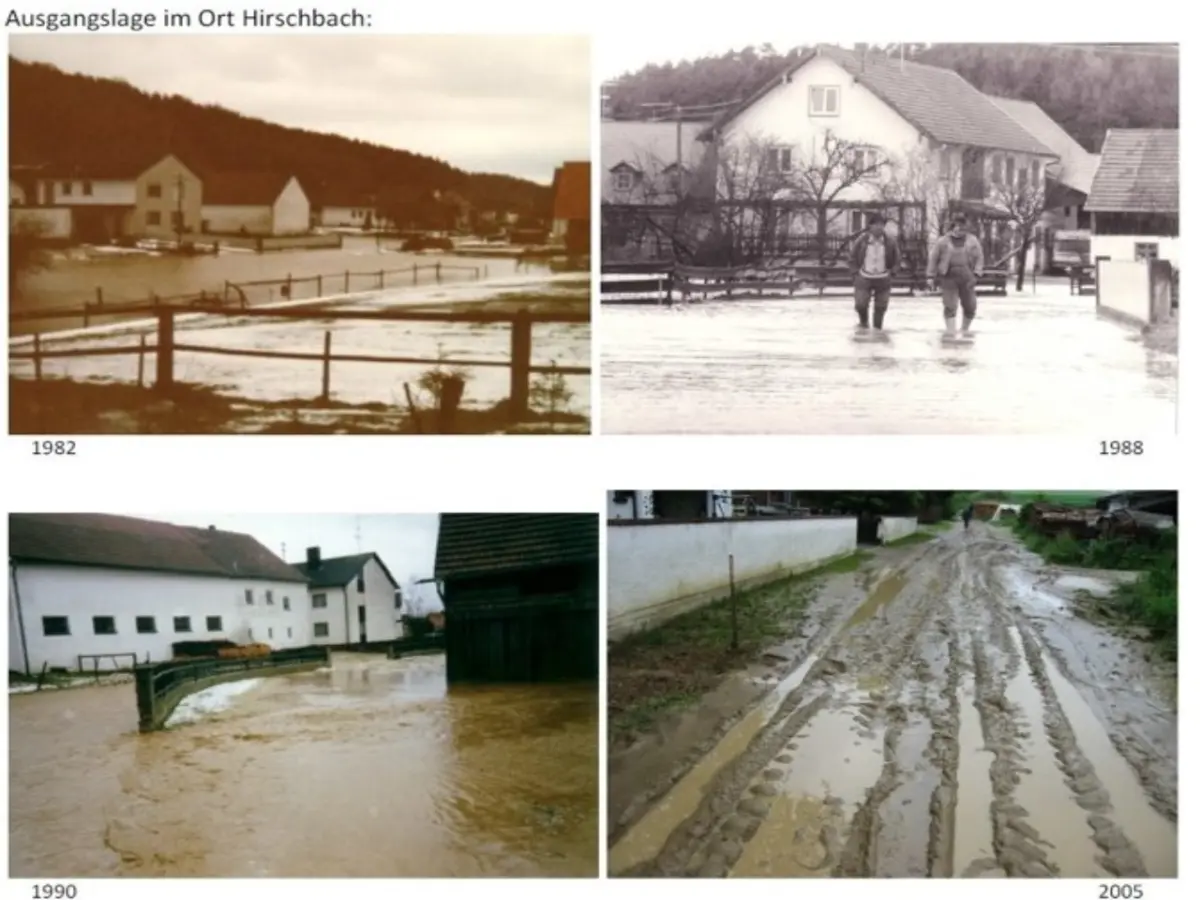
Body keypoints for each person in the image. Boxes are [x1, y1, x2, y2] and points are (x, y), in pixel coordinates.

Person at [926, 213, 985, 335]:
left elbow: (979, 257)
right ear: (953, 226)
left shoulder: (972, 240)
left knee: (970, 305)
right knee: (950, 304)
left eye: (963, 226)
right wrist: (930, 276)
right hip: (948, 275)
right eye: (958, 225)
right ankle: (951, 332)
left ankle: (964, 330)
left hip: (967, 275)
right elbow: (934, 258)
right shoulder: (943, 241)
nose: (960, 229)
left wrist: (977, 272)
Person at [847, 213, 901, 331]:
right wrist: (855, 273)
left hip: (883, 277)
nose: (879, 227)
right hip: (864, 276)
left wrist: (893, 273)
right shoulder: (861, 241)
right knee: (860, 304)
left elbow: (897, 259)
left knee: (881, 306)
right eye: (876, 224)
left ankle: (877, 329)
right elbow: (852, 257)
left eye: (881, 225)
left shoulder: (890, 242)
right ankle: (864, 323)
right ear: (870, 226)